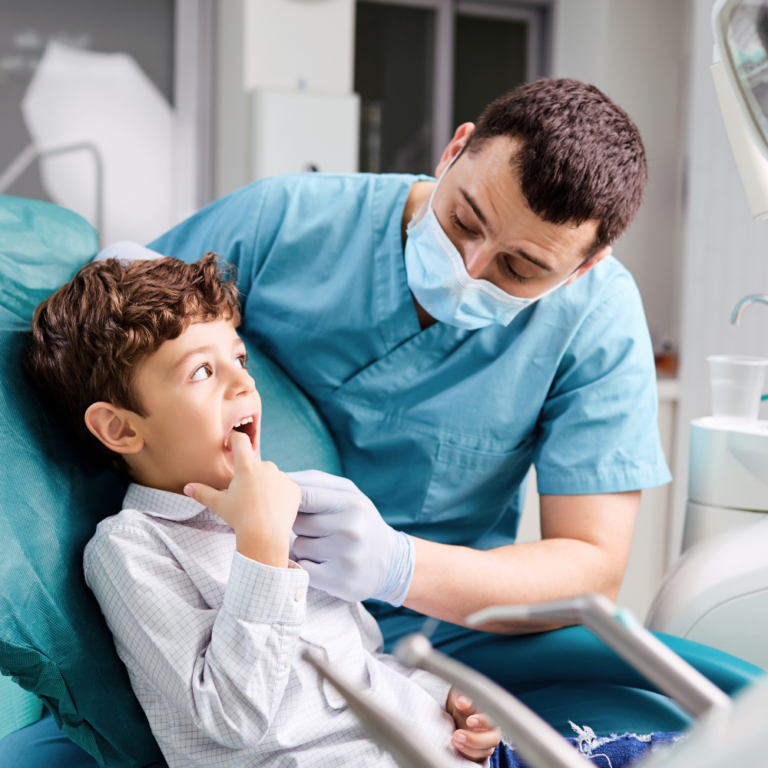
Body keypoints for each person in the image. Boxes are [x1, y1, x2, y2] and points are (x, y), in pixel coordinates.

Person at [148, 78, 671, 663]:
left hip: (424, 635)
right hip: (217, 600)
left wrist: (397, 566)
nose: (469, 269)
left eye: (520, 268)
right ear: (453, 151)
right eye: (464, 221)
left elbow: (590, 567)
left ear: (582, 268)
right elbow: (124, 334)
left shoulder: (595, 317)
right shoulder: (286, 218)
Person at [21, 253, 502, 768]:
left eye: (240, 359)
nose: (244, 383)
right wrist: (262, 548)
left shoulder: (285, 505)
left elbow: (363, 663)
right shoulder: (131, 547)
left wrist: (442, 699)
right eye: (203, 370)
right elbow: (231, 717)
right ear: (121, 429)